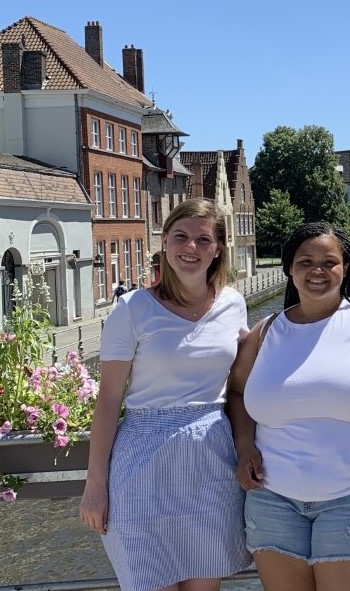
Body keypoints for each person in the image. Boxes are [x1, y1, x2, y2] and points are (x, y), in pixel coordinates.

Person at [227, 222, 350, 591]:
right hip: (273, 503)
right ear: (289, 269)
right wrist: (245, 447)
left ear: (345, 268)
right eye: (306, 261)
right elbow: (236, 394)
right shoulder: (266, 332)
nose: (317, 270)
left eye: (329, 262)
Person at [80, 198, 251, 591]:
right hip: (142, 460)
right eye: (181, 236)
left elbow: (241, 386)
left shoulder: (232, 305)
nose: (191, 248)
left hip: (211, 461)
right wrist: (95, 486)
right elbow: (108, 401)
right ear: (164, 241)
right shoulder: (133, 309)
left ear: (219, 248)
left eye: (203, 239)